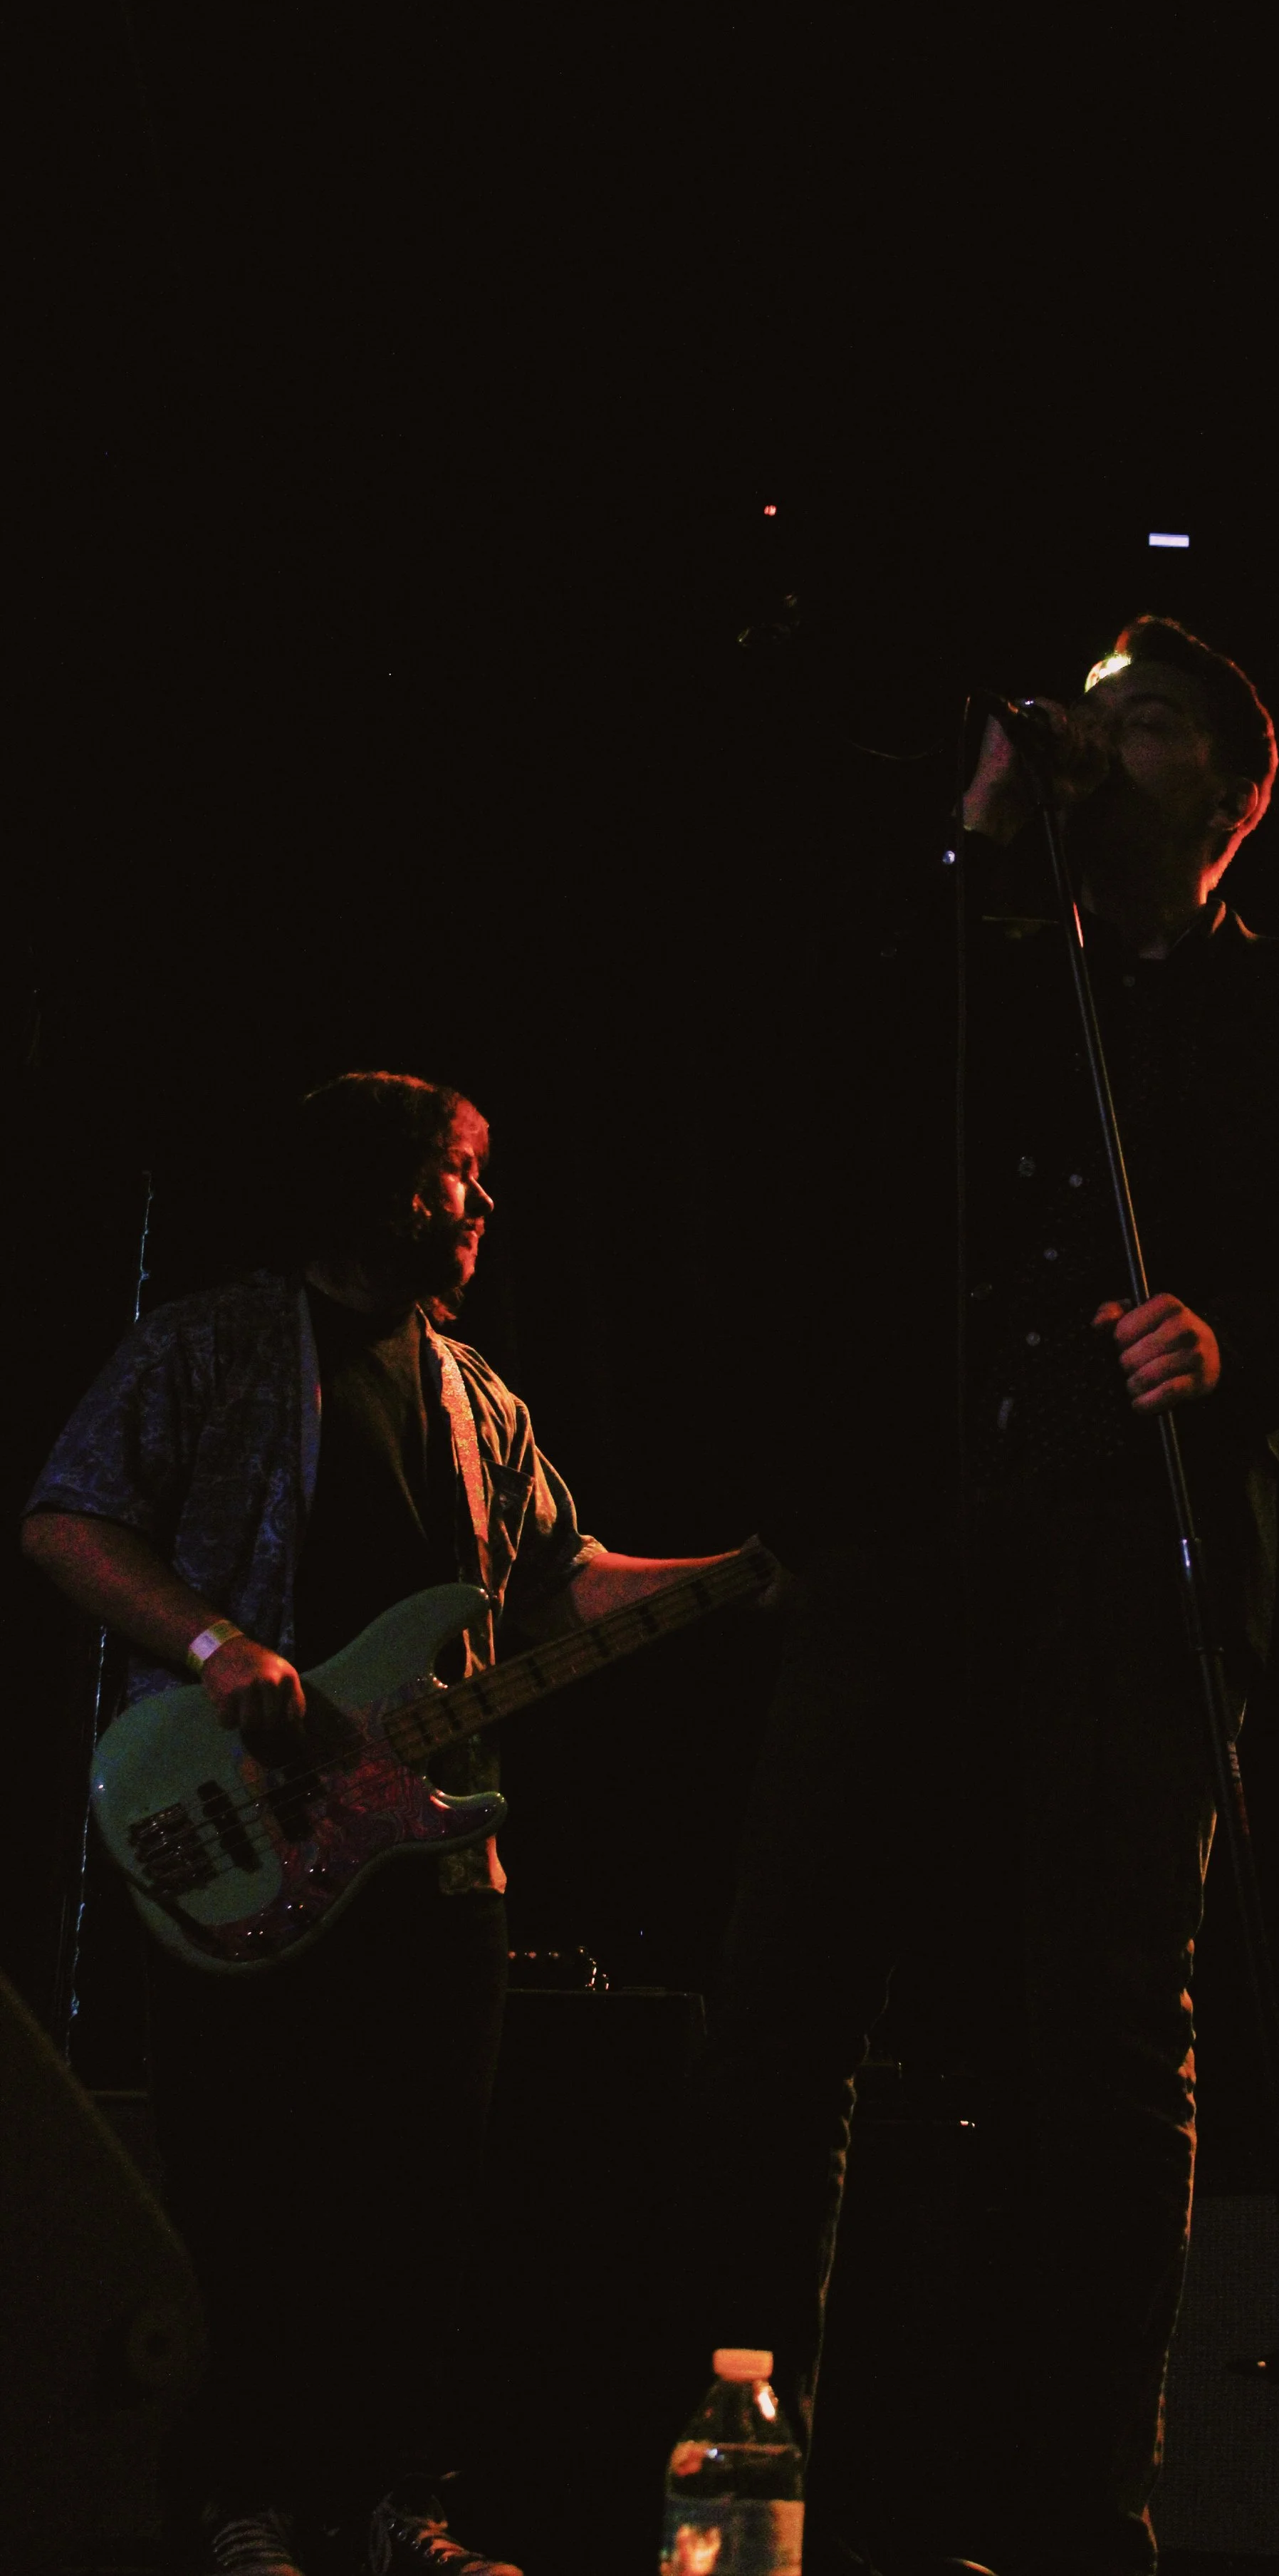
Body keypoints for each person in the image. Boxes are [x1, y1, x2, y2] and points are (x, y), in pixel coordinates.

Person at [691, 619, 1279, 2576]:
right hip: (912, 1546)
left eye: (1148, 726)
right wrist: (969, 844)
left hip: (1129, 1560)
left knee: (1095, 2033)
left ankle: (1077, 2510)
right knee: (783, 2010)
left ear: (1233, 794)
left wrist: (1228, 1332)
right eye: (1083, 722)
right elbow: (817, 1108)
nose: (1098, 745)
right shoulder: (974, 969)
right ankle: (745, 2490)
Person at [23, 1071, 745, 2576]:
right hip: (245, 1833)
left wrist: (741, 1572)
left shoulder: (478, 1397)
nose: (481, 1206)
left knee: (418, 2200)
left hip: (427, 1867)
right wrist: (220, 1649)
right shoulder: (212, 1345)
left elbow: (565, 1579)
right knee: (250, 2193)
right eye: (453, 1175)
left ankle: (393, 2502)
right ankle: (241, 2504)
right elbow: (66, 1517)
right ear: (367, 1185)